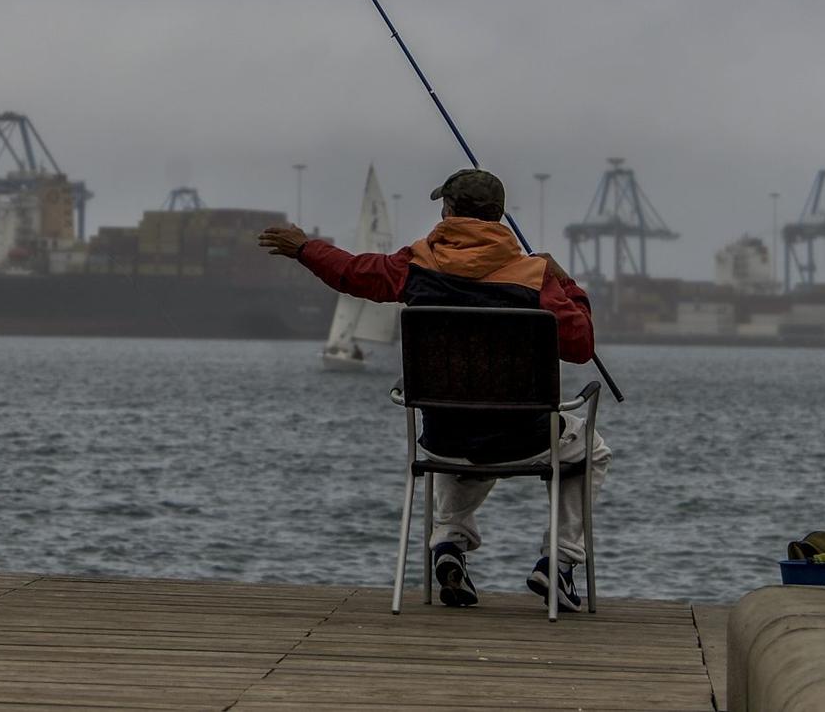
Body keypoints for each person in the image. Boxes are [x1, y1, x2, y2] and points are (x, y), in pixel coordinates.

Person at [258, 168, 610, 611]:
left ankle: (447, 546)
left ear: (448, 212)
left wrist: (304, 249)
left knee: (457, 423)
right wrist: (565, 283)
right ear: (498, 217)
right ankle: (557, 564)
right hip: (525, 436)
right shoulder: (534, 278)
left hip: (445, 436)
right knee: (589, 449)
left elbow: (351, 272)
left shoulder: (415, 266)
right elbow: (581, 345)